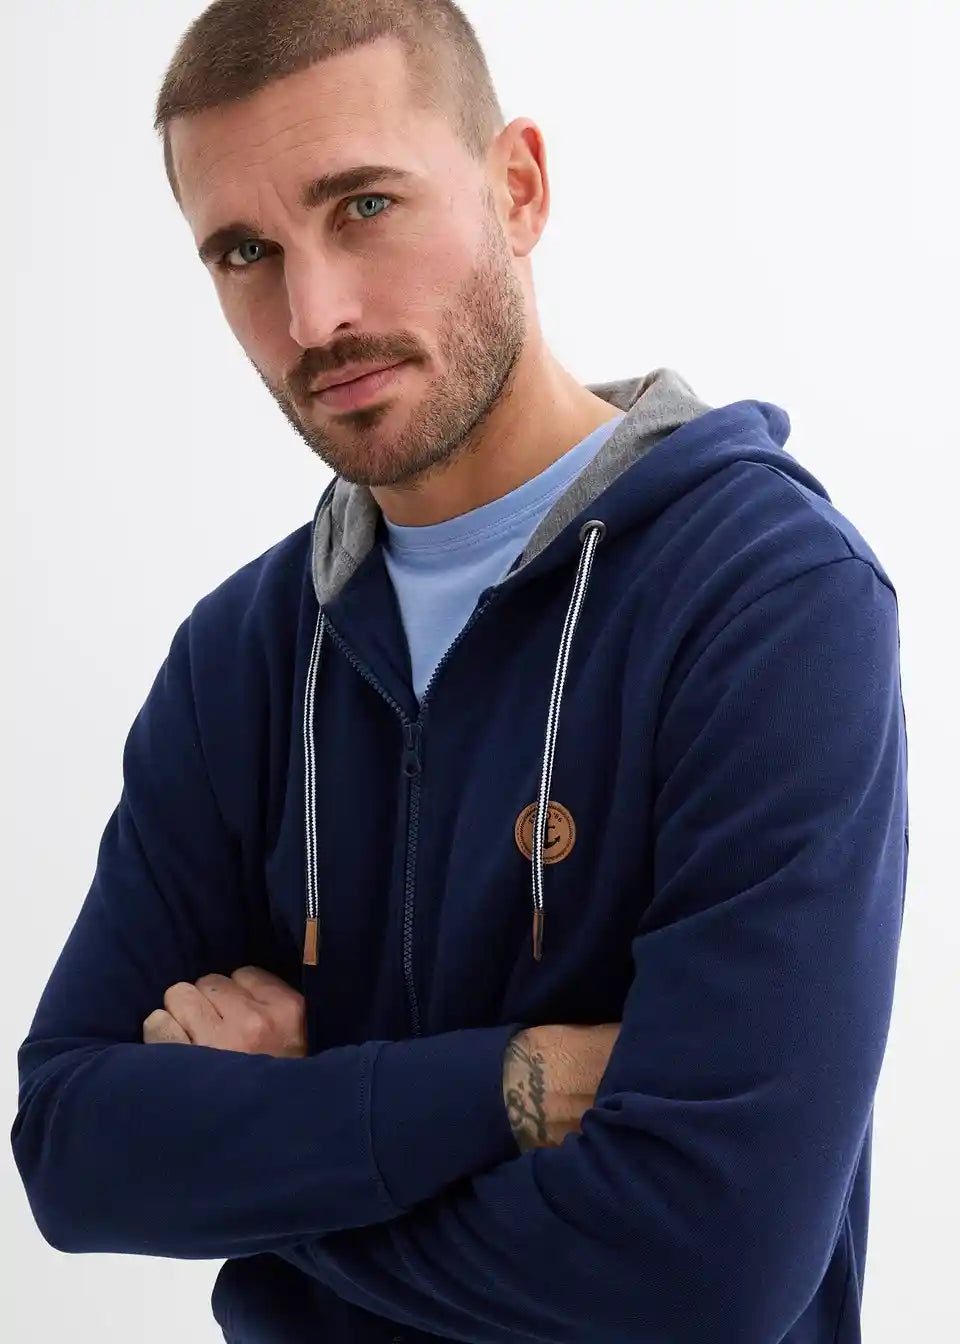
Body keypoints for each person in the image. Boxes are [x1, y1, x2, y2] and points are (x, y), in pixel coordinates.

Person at [11, 2, 908, 1342]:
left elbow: (704, 1269)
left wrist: (261, 1157)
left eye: (364, 206)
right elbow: (72, 1154)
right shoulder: (241, 654)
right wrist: (509, 1085)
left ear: (518, 188)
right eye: (247, 251)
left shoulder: (765, 598)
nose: (315, 313)